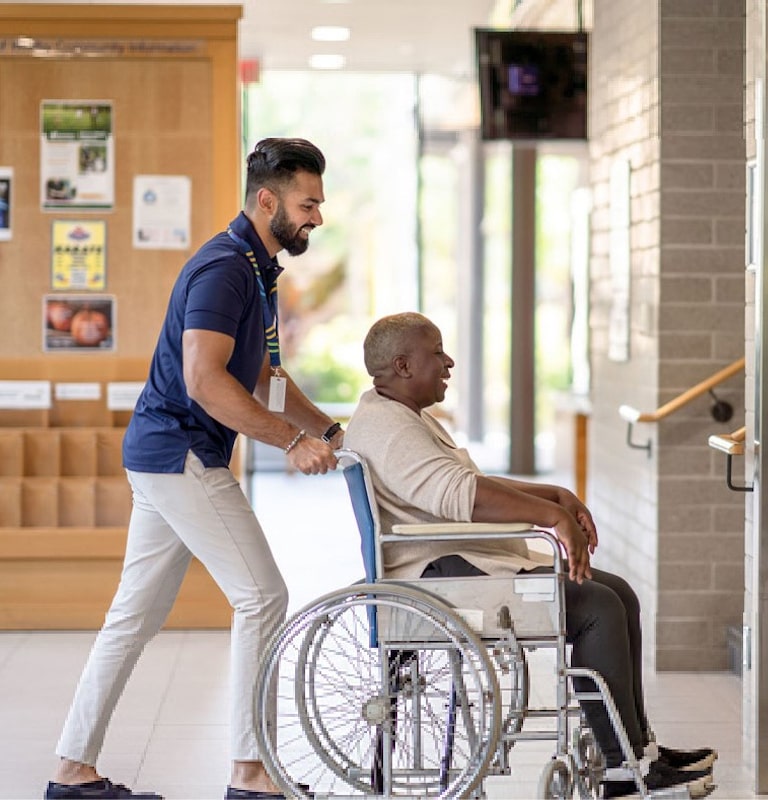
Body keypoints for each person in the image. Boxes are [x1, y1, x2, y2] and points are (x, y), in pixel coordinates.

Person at [46, 138, 345, 800]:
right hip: (181, 453)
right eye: (307, 205)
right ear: (267, 201)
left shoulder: (258, 271)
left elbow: (263, 377)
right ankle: (250, 773)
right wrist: (292, 442)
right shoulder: (224, 270)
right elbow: (205, 381)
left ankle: (71, 773)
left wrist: (328, 430)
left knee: (133, 619)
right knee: (262, 595)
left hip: (163, 455)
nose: (317, 218)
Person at [343, 311, 718, 800]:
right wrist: (550, 517)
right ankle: (622, 771)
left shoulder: (396, 416)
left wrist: (552, 496)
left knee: (619, 592)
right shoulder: (391, 429)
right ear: (403, 365)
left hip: (456, 562)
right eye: (436, 353)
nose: (448, 362)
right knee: (597, 606)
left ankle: (637, 750)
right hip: (439, 577)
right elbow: (464, 497)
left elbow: (469, 483)